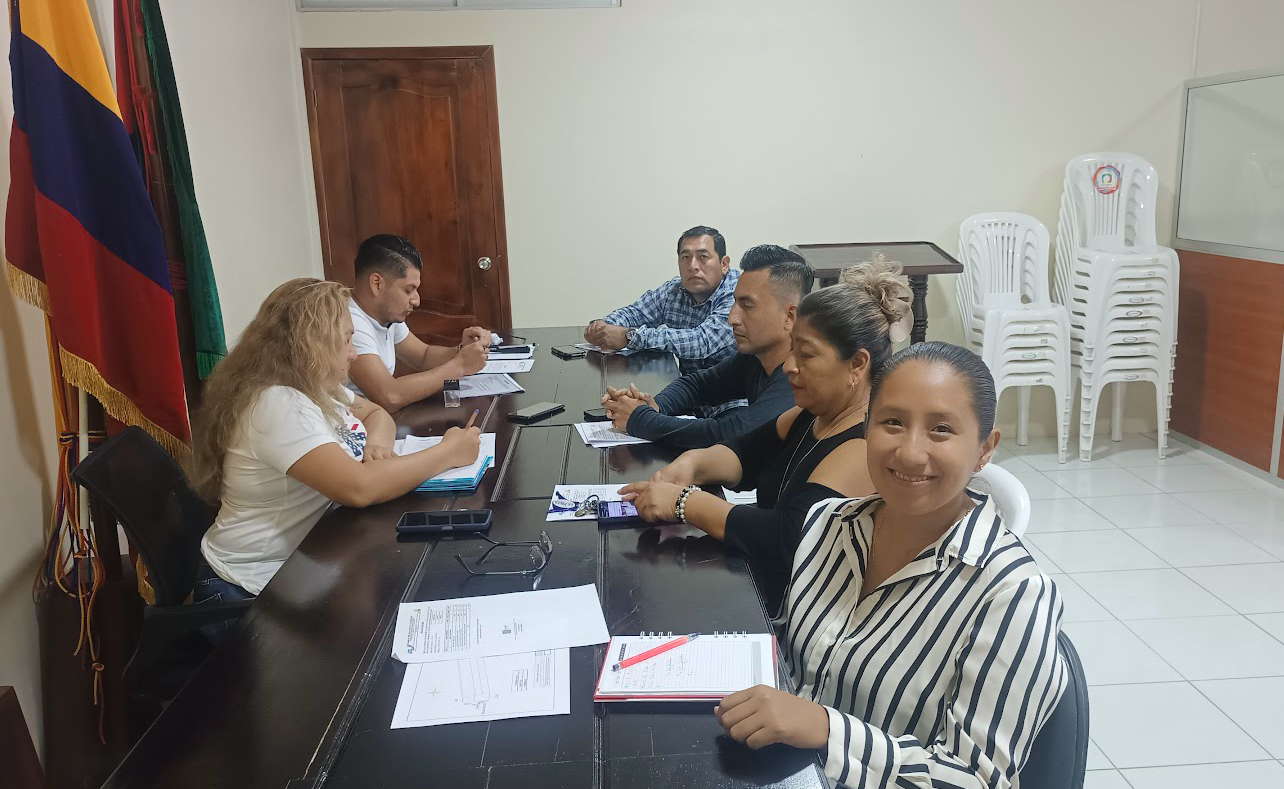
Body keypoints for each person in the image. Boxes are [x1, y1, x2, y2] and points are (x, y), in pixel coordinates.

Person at [713, 342, 1068, 789]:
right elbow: (793, 659)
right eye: (893, 422)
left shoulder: (1014, 594)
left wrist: (827, 729)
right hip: (785, 772)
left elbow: (978, 779)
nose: (910, 452)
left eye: (941, 429)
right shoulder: (828, 523)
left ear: (984, 448)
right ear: (867, 427)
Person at [620, 260, 913, 608]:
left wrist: (684, 502)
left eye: (806, 355)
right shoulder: (812, 414)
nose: (789, 366)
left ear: (857, 364)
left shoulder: (863, 444)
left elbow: (785, 538)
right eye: (793, 350)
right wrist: (691, 464)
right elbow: (745, 454)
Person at [188, 279, 482, 605]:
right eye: (345, 340)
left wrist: (377, 446)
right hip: (247, 591)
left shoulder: (314, 383)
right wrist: (448, 452)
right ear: (311, 344)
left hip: (308, 561)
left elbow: (376, 413)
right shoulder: (278, 402)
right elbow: (358, 488)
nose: (353, 353)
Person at [601, 244, 811, 449]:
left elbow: (731, 434)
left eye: (747, 305)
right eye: (735, 303)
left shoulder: (800, 376)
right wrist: (655, 407)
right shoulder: (757, 356)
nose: (732, 318)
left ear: (790, 316)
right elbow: (697, 385)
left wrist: (640, 419)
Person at [346, 234, 492, 411]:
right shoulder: (349, 323)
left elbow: (423, 356)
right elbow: (389, 396)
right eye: (408, 290)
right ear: (377, 284)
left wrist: (462, 350)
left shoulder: (384, 313)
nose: (416, 300)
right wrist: (459, 365)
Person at [584, 225, 739, 375]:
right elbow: (636, 313)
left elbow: (702, 341)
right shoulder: (674, 290)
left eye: (703, 257)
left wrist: (629, 336)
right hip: (691, 386)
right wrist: (603, 327)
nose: (693, 266)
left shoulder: (737, 292)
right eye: (685, 257)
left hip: (733, 390)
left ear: (724, 264)